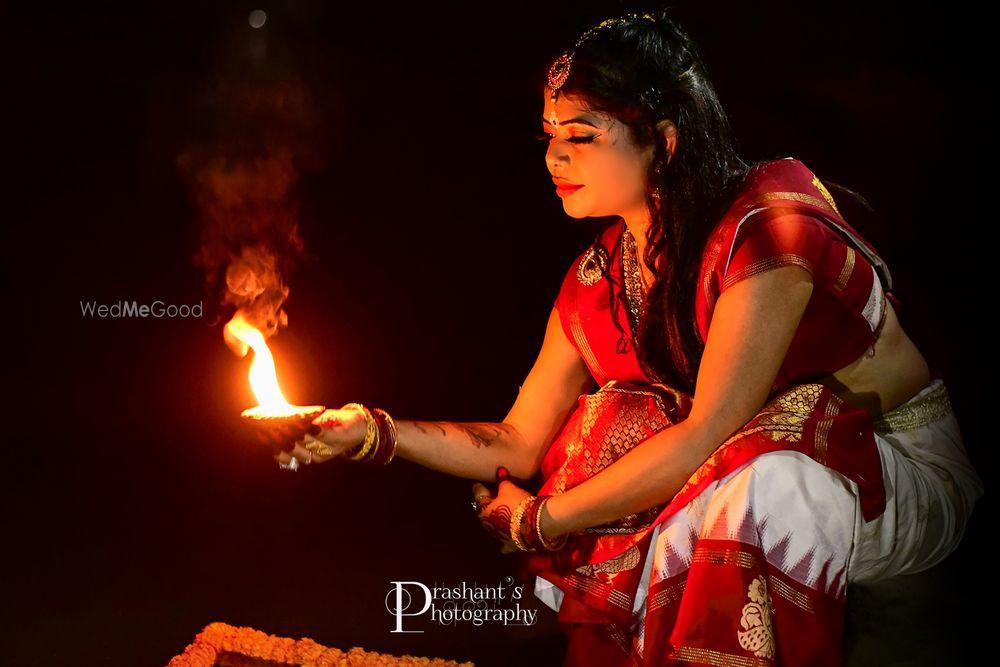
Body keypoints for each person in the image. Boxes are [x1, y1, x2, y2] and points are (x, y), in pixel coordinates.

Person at [266, 10, 984, 666]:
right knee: (616, 426)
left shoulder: (769, 226)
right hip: (741, 469)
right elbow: (518, 439)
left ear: (664, 141)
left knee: (761, 478)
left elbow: (710, 430)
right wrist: (368, 430)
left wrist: (540, 521)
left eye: (581, 138)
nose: (554, 159)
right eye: (549, 138)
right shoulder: (599, 278)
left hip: (890, 468)